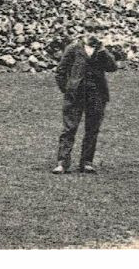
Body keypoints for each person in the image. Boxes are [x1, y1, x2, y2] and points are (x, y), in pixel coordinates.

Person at [52, 31, 119, 174]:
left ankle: (87, 162)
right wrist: (67, 89)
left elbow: (113, 67)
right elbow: (60, 71)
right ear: (84, 33)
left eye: (97, 30)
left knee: (92, 128)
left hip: (97, 94)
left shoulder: (101, 50)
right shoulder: (73, 48)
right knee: (69, 128)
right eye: (90, 30)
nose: (94, 34)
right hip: (76, 95)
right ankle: (62, 162)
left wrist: (103, 51)